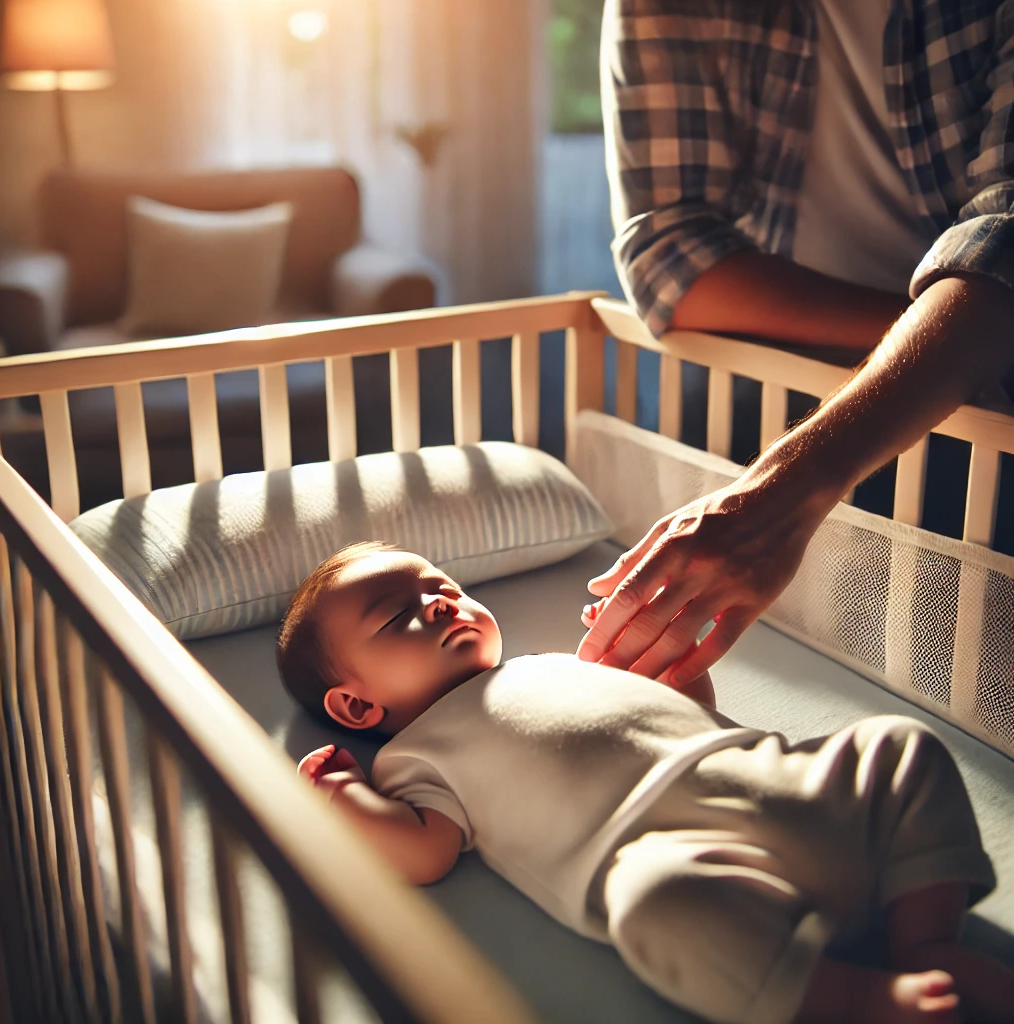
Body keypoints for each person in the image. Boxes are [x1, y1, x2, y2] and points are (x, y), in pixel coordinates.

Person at [278, 542, 1012, 1024]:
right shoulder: (416, 756)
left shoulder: (552, 664)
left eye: (441, 586)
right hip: (680, 854)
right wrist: (344, 796)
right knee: (653, 904)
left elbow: (686, 713)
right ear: (355, 705)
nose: (440, 602)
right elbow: (424, 853)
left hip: (771, 777)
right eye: (400, 615)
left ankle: (926, 938)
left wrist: (678, 666)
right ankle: (851, 998)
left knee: (899, 744)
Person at [578, 0, 1014, 687]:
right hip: (780, 374)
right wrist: (936, 332)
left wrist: (781, 492)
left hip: (991, 406)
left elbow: (1006, 243)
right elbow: (671, 262)